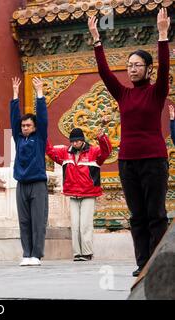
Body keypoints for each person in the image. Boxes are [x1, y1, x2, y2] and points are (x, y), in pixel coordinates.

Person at [88, 8, 171, 277]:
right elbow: (104, 73)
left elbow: (166, 65)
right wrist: (96, 40)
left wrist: (161, 34)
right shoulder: (123, 94)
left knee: (155, 214)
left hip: (154, 161)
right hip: (128, 162)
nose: (132, 69)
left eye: (137, 65)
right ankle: (143, 262)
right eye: (130, 65)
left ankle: (158, 263)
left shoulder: (157, 92)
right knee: (137, 216)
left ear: (148, 69)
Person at [46, 127, 112, 261]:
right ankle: (77, 253)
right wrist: (43, 136)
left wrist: (102, 137)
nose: (75, 144)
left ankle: (87, 253)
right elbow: (50, 152)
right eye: (73, 142)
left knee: (85, 224)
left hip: (89, 193)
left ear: (82, 140)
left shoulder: (93, 151)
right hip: (73, 193)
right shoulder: (65, 152)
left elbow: (107, 152)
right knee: (75, 225)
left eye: (77, 141)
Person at [10, 76, 48, 267]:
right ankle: (26, 253)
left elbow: (42, 117)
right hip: (21, 184)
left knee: (37, 221)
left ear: (34, 127)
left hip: (38, 184)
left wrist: (39, 93)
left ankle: (36, 255)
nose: (25, 128)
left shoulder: (39, 137)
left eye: (28, 125)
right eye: (23, 125)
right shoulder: (18, 139)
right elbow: (13, 119)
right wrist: (15, 96)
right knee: (24, 221)